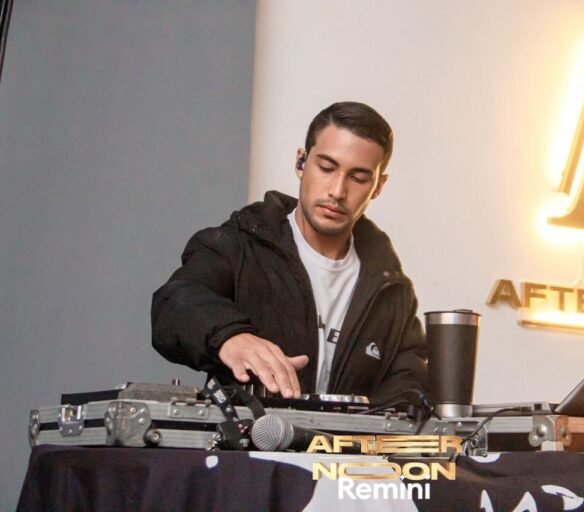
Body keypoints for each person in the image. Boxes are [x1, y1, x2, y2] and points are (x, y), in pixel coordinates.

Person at [151, 101, 427, 404]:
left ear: (378, 186)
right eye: (326, 168)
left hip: (347, 438)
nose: (337, 191)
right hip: (251, 436)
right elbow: (174, 303)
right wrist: (229, 336)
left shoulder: (391, 290)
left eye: (358, 178)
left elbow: (409, 385)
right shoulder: (240, 245)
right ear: (300, 163)